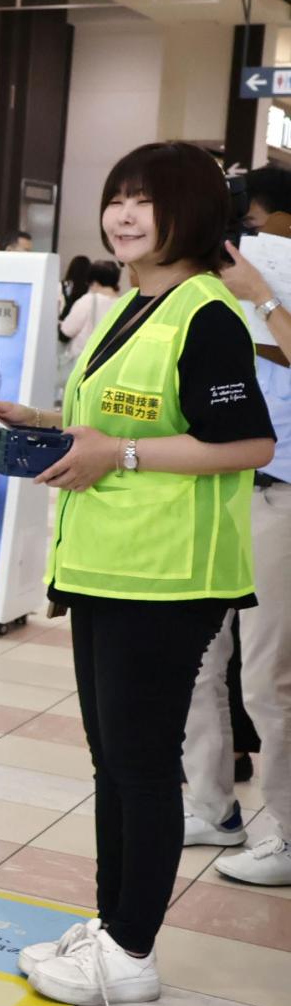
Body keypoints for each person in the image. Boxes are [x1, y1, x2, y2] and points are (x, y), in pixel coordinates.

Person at [0, 141, 276, 1005]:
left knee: (142, 766)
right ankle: (113, 926)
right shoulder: (132, 305)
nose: (123, 213)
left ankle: (133, 953)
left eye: (144, 200)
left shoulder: (206, 313)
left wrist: (124, 454)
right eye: (116, 196)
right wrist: (38, 420)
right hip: (106, 566)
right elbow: (107, 421)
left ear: (187, 210)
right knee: (113, 762)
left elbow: (251, 442)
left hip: (167, 576)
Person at [188, 192, 291, 885]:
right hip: (215, 486)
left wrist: (262, 299)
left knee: (266, 676)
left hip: (279, 490)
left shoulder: (264, 285)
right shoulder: (208, 281)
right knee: (199, 656)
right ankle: (211, 803)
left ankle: (286, 832)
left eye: (255, 223)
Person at [58, 258, 124, 384]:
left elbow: (67, 331)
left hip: (83, 364)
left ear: (93, 280)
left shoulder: (88, 301)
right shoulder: (122, 303)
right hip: (109, 365)